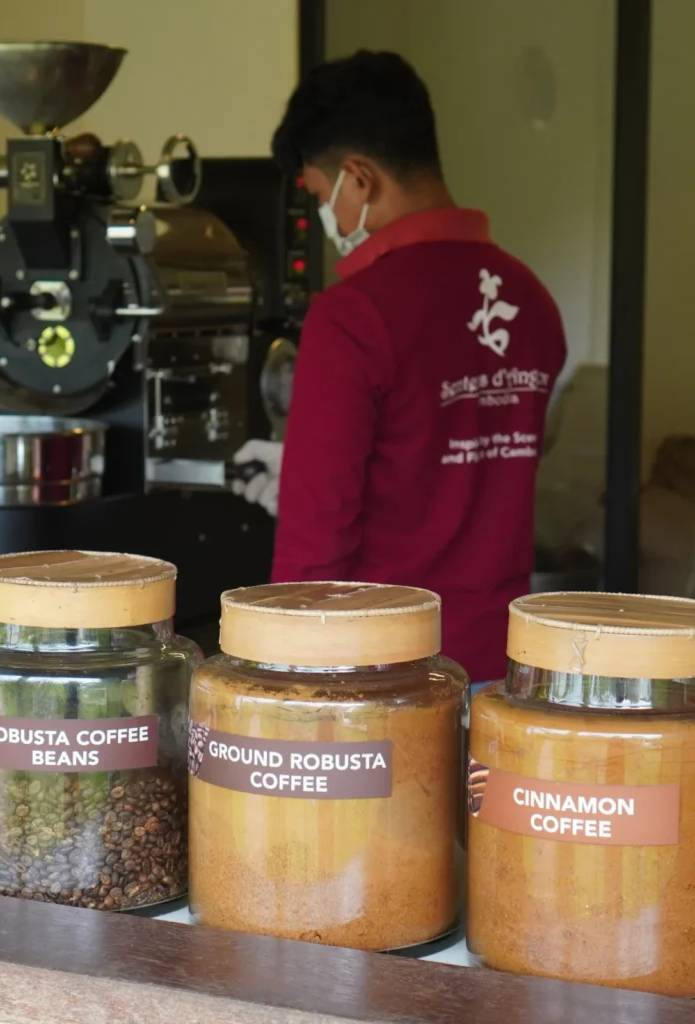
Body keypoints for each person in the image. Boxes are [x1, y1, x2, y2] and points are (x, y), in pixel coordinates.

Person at [234, 51, 566, 685]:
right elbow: (460, 463)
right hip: (506, 665)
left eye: (320, 195)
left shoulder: (353, 316)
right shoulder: (532, 301)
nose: (327, 219)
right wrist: (303, 467)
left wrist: (282, 686)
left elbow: (315, 555)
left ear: (358, 178)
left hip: (386, 676)